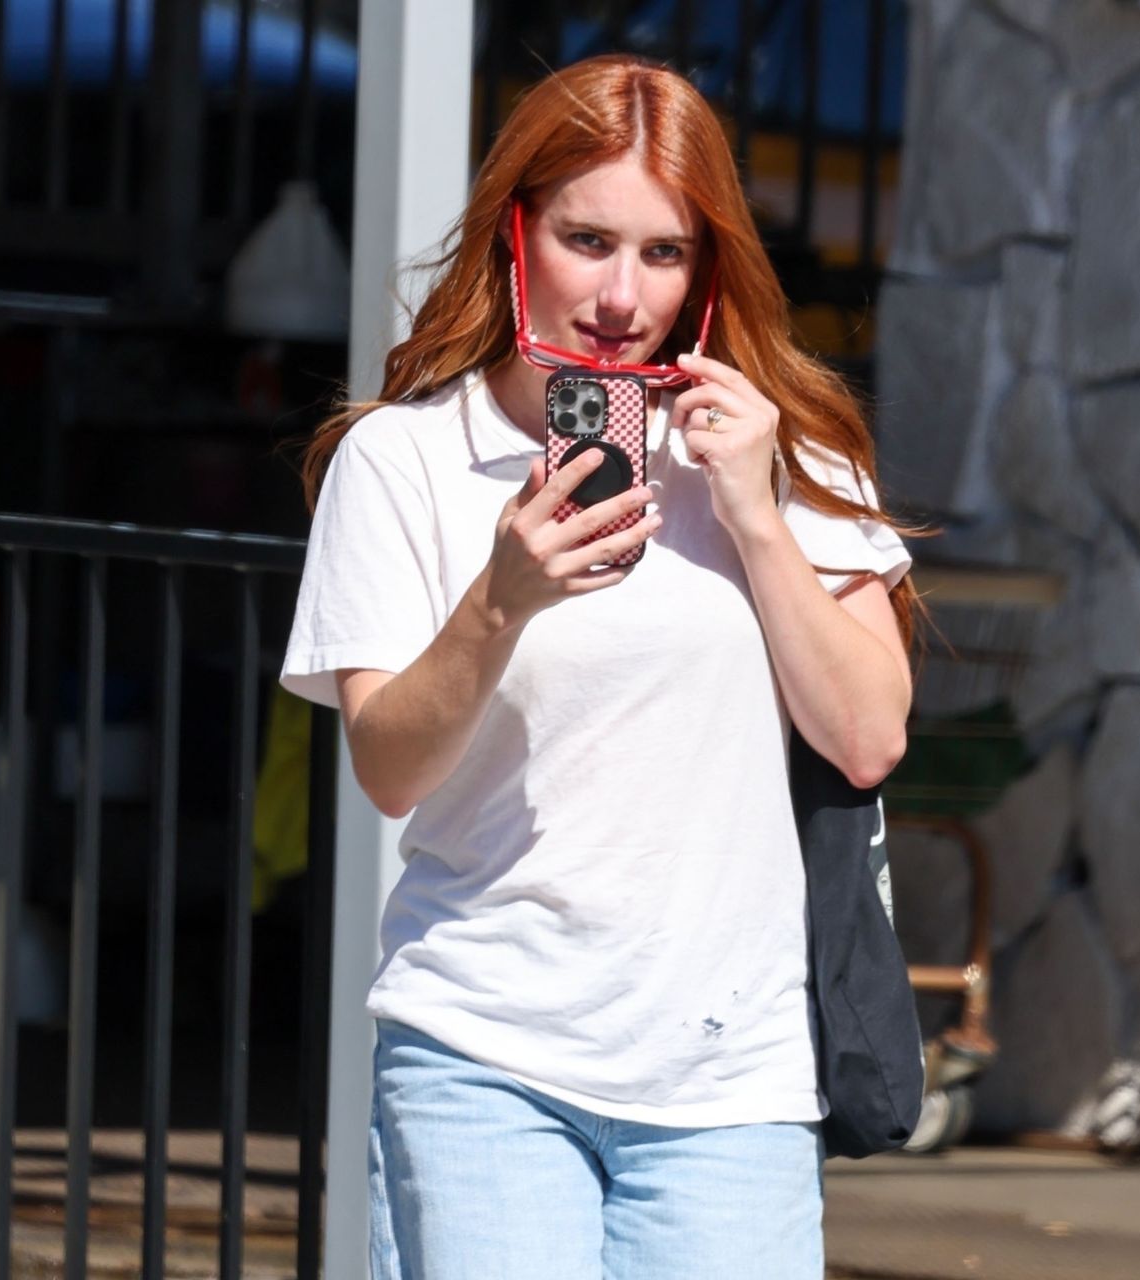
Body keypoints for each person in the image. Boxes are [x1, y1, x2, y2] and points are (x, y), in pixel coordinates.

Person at [281, 54, 918, 1280]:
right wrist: (499, 600)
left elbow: (866, 736)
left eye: (664, 252)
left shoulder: (785, 454)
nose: (623, 295)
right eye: (587, 240)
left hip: (731, 1077)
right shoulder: (404, 460)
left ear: (707, 266)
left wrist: (753, 513)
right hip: (481, 1052)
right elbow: (388, 766)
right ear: (515, 233)